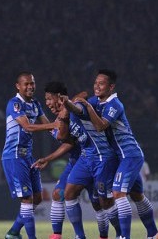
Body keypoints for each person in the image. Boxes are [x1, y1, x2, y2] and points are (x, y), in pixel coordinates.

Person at [71, 69, 158, 239]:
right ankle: (154, 234)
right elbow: (81, 102)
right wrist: (70, 103)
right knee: (137, 195)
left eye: (102, 83)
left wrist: (86, 105)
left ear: (111, 86)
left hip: (129, 154)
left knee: (118, 193)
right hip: (121, 157)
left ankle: (124, 237)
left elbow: (100, 126)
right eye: (95, 83)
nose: (97, 86)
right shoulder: (98, 102)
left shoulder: (115, 104)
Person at [33, 82, 117, 239]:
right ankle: (65, 235)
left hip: (95, 159)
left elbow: (84, 93)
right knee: (59, 194)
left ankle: (106, 235)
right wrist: (48, 158)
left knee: (98, 203)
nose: (48, 103)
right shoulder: (59, 121)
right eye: (46, 100)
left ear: (59, 97)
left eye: (49, 99)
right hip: (77, 162)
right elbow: (67, 141)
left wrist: (66, 106)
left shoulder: (72, 109)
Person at [2, 71, 60, 239]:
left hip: (28, 156)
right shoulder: (14, 104)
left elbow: (48, 126)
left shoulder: (35, 104)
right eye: (26, 84)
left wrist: (61, 132)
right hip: (14, 156)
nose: (30, 86)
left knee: (37, 197)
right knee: (27, 199)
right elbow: (27, 127)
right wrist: (54, 125)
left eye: (32, 83)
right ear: (18, 86)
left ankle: (13, 232)